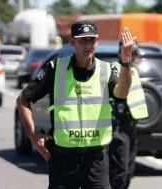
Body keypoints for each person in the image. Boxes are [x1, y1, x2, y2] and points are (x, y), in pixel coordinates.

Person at [16, 20, 135, 189]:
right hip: (63, 159)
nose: (88, 45)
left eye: (91, 40)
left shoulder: (107, 70)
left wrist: (126, 61)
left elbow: (122, 93)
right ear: (72, 42)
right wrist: (33, 137)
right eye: (82, 40)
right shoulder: (55, 69)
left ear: (97, 41)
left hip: (96, 158)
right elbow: (23, 99)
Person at [109, 41, 149, 189]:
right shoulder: (115, 68)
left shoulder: (133, 70)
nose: (134, 57)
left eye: (136, 54)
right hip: (117, 124)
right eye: (131, 53)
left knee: (128, 171)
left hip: (131, 126)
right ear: (121, 53)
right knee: (119, 170)